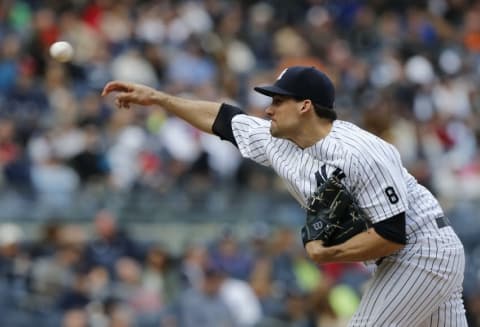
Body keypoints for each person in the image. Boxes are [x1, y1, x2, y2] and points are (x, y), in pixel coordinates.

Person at [102, 65, 467, 326]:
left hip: (422, 251)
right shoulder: (278, 143)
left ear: (305, 105)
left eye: (277, 100)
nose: (268, 108)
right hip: (407, 258)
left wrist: (329, 253)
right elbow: (223, 120)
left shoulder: (360, 151)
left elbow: (392, 234)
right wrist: (159, 98)